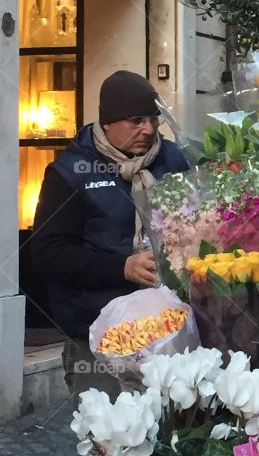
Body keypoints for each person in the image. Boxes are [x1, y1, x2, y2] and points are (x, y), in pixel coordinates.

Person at [31, 71, 189, 396]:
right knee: (110, 439)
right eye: (135, 120)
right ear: (107, 124)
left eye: (152, 119)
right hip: (98, 337)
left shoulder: (173, 158)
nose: (148, 128)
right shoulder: (71, 173)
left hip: (171, 328)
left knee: (174, 438)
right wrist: (122, 267)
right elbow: (48, 254)